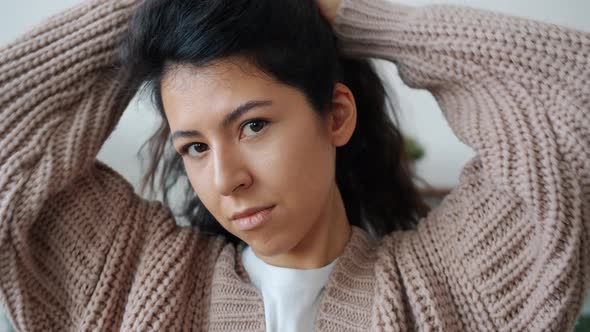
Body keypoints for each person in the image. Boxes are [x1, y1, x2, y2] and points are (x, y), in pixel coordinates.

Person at [0, 0, 588, 331]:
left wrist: (345, 12)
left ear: (335, 116)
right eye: (195, 147)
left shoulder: (451, 289)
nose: (227, 179)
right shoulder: (128, 281)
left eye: (252, 125)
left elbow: (573, 98)